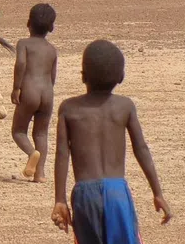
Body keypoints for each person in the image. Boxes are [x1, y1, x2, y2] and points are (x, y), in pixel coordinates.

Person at [52, 40, 172, 243]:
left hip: (84, 195)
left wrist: (60, 200)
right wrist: (157, 192)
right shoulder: (125, 106)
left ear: (83, 76)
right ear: (121, 77)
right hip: (118, 194)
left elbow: (62, 153)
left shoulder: (68, 109)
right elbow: (141, 148)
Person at [11, 3, 58, 182]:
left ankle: (32, 153)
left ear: (28, 22)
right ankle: (40, 174)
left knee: (18, 131)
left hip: (29, 92)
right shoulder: (52, 50)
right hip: (47, 94)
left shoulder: (23, 44)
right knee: (41, 133)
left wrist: (17, 87)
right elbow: (53, 76)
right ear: (51, 28)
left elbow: (21, 64)